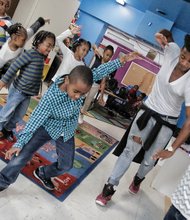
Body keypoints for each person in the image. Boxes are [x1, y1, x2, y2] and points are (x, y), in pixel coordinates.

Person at [0, 52, 139, 192]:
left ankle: (43, 173)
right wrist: (19, 143)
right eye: (76, 91)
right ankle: (3, 181)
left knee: (66, 165)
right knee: (22, 155)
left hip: (66, 131)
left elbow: (99, 71)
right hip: (46, 127)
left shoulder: (81, 80)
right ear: (67, 80)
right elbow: (35, 120)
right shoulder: (51, 97)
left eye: (82, 94)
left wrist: (122, 60)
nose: (77, 96)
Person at [95, 31, 190, 207]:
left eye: (189, 62)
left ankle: (138, 179)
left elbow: (189, 121)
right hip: (146, 113)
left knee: (150, 159)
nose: (184, 63)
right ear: (181, 50)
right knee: (129, 150)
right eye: (183, 57)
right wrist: (161, 34)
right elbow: (167, 36)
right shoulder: (173, 51)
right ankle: (109, 187)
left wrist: (172, 149)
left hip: (166, 124)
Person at [0, 30, 56, 142]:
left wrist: (37, 91)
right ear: (39, 42)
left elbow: (36, 76)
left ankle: (7, 129)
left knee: (19, 115)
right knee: (7, 112)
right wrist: (3, 82)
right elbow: (14, 66)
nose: (50, 49)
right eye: (48, 46)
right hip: (18, 91)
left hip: (27, 94)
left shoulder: (41, 57)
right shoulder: (30, 54)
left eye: (52, 47)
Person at [80, 44, 115, 114]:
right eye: (107, 54)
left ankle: (81, 114)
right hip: (87, 81)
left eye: (110, 56)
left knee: (88, 101)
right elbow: (93, 46)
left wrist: (101, 96)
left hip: (96, 85)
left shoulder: (107, 67)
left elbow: (103, 82)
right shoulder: (98, 57)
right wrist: (96, 49)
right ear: (104, 52)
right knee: (80, 96)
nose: (108, 57)